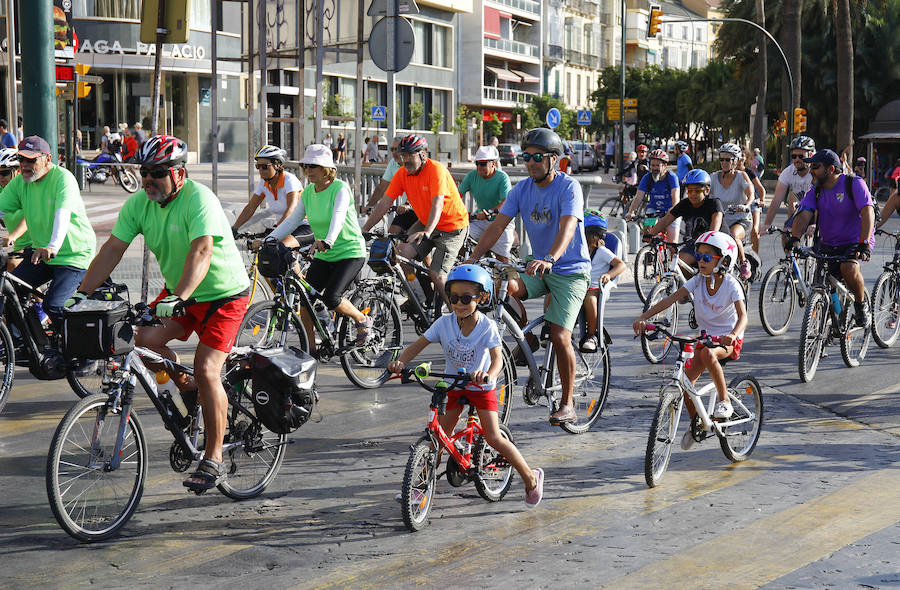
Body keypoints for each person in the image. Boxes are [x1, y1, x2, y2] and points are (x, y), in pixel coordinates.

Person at [69, 135, 251, 493]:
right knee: (137, 342)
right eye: (144, 171)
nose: (149, 178)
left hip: (223, 295)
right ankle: (188, 389)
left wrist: (180, 295)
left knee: (207, 368)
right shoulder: (139, 204)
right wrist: (80, 294)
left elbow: (202, 251)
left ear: (179, 174)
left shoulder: (199, 199)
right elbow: (112, 249)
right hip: (180, 294)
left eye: (158, 172)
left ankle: (213, 457)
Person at [388, 265, 543, 507]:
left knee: (493, 437)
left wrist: (488, 375)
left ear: (481, 298)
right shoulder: (445, 323)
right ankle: (418, 488)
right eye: (453, 297)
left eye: (466, 298)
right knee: (438, 440)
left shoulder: (487, 327)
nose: (458, 304)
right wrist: (400, 362)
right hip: (454, 387)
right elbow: (418, 345)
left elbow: (497, 359)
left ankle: (531, 478)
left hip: (481, 388)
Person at [465, 127, 590, 425]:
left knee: (561, 336)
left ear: (554, 160)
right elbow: (497, 226)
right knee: (501, 287)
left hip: (570, 271)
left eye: (538, 157)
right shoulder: (521, 189)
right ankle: (528, 338)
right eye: (527, 157)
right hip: (536, 266)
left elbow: (568, 227)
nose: (531, 162)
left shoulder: (569, 187)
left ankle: (568, 402)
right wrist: (472, 258)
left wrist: (551, 258)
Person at [633, 230, 747, 444]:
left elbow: (744, 318)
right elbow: (670, 300)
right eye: (699, 256)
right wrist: (644, 316)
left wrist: (732, 334)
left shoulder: (732, 284)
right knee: (686, 383)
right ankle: (698, 424)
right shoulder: (698, 280)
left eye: (707, 257)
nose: (701, 261)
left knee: (707, 356)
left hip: (727, 340)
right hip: (705, 338)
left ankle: (724, 401)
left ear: (724, 260)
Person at [259, 144, 373, 347]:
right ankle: (310, 351)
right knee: (305, 302)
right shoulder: (309, 192)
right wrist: (270, 239)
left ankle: (362, 320)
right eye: (306, 165)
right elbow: (292, 221)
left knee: (331, 297)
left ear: (326, 168)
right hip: (325, 255)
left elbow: (338, 217)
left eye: (313, 166)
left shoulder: (340, 188)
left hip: (350, 252)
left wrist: (328, 240)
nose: (308, 170)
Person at [362, 134, 469, 307]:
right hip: (427, 223)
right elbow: (384, 203)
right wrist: (365, 228)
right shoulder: (402, 174)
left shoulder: (436, 170)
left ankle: (457, 317)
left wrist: (427, 231)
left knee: (437, 274)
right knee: (400, 253)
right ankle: (419, 297)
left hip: (452, 226)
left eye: (409, 155)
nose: (405, 160)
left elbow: (437, 203)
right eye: (403, 156)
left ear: (423, 154)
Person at [0, 136, 95, 328]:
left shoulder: (63, 178)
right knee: (9, 293)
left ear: (48, 159)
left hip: (73, 255)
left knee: (55, 306)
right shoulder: (21, 182)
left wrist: (52, 246)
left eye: (31, 160)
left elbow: (63, 214)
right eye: (22, 159)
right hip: (40, 255)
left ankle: (78, 351)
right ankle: (32, 343)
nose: (25, 164)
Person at [787, 148, 875, 327]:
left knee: (848, 268)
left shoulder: (854, 184)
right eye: (810, 166)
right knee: (823, 281)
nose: (811, 170)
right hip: (827, 242)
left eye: (816, 167)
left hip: (855, 241)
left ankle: (860, 305)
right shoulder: (816, 191)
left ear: (831, 169)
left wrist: (864, 243)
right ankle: (827, 327)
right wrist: (795, 237)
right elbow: (804, 214)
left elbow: (868, 211)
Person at [643, 168, 724, 273]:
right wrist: (651, 234)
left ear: (707, 191)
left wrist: (705, 243)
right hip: (693, 246)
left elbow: (714, 229)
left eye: (697, 191)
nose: (692, 194)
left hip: (716, 244)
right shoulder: (685, 204)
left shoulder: (714, 203)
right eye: (689, 191)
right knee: (678, 265)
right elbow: (665, 221)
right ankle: (692, 287)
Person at [231, 145, 312, 246]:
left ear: (277, 165)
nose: (260, 170)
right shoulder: (264, 183)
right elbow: (250, 208)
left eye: (264, 166)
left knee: (281, 249)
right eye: (258, 166)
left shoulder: (290, 180)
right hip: (282, 228)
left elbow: (291, 209)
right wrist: (234, 228)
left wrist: (276, 228)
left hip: (303, 226)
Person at [579, 212, 626, 353]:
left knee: (590, 299)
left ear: (597, 236)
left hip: (594, 287)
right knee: (552, 292)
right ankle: (550, 327)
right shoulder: (576, 250)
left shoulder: (602, 251)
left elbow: (621, 265)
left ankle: (591, 335)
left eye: (589, 236)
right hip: (576, 284)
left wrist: (608, 274)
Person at [459, 145, 514, 262]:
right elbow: (457, 196)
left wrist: (489, 212)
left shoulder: (502, 178)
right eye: (477, 163)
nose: (479, 167)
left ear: (493, 164)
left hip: (501, 222)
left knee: (501, 259)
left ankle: (505, 277)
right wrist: (460, 213)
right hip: (480, 221)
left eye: (483, 164)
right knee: (460, 239)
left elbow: (506, 202)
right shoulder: (471, 176)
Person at [761, 136, 816, 249]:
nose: (797, 159)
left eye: (801, 156)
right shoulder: (788, 172)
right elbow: (777, 200)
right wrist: (767, 224)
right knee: (786, 233)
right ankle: (789, 263)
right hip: (802, 211)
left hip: (819, 210)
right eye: (794, 156)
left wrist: (815, 223)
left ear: (810, 155)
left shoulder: (817, 171)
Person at [709, 143, 754, 279]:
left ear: (735, 161)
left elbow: (751, 193)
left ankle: (744, 263)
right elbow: (705, 195)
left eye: (728, 159)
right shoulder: (713, 177)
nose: (724, 162)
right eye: (721, 159)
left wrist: (746, 205)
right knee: (708, 238)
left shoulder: (742, 176)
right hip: (722, 220)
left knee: (733, 236)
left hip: (741, 220)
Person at [626, 148, 680, 242]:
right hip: (653, 210)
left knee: (672, 245)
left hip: (670, 211)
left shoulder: (671, 177)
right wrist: (631, 211)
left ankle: (673, 255)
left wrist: (674, 209)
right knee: (647, 233)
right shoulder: (647, 178)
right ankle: (650, 252)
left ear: (665, 166)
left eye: (657, 165)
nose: (654, 168)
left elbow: (676, 197)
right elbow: (638, 197)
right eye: (652, 165)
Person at [0, 148, 33, 275]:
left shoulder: (27, 188)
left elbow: (29, 217)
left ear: (17, 171)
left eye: (5, 173)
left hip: (36, 241)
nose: (1, 178)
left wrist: (12, 236)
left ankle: (40, 296)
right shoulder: (2, 190)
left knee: (13, 266)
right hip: (19, 244)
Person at [737, 147, 767, 254]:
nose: (740, 158)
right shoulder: (730, 173)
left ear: (746, 158)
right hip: (738, 205)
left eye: (743, 155)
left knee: (754, 230)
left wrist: (762, 201)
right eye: (738, 155)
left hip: (753, 204)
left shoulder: (749, 172)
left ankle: (756, 258)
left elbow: (760, 189)